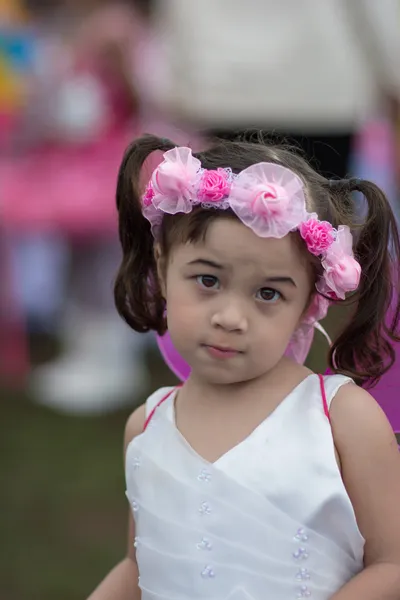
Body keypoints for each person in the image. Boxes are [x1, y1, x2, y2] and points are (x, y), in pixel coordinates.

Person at [88, 134, 400, 600]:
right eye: (208, 280)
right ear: (163, 264)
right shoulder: (146, 426)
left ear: (308, 304)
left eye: (268, 293)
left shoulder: (341, 419)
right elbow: (141, 564)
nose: (231, 318)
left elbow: (392, 564)